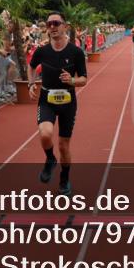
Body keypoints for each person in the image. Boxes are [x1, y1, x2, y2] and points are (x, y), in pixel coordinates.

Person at [28, 11, 87, 196]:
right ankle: (50, 159)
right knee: (45, 134)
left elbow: (84, 79)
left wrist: (72, 80)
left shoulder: (76, 52)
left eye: (56, 23)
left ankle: (64, 179)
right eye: (49, 24)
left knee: (63, 145)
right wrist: (31, 83)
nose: (52, 27)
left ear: (65, 26)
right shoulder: (42, 51)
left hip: (68, 101)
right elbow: (31, 66)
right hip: (47, 99)